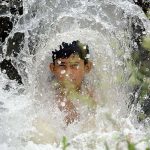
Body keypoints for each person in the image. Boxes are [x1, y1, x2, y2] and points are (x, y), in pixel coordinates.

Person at [49, 40, 96, 125]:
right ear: (53, 68)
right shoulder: (47, 101)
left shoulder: (97, 99)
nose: (68, 73)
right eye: (62, 65)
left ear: (87, 67)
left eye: (74, 65)